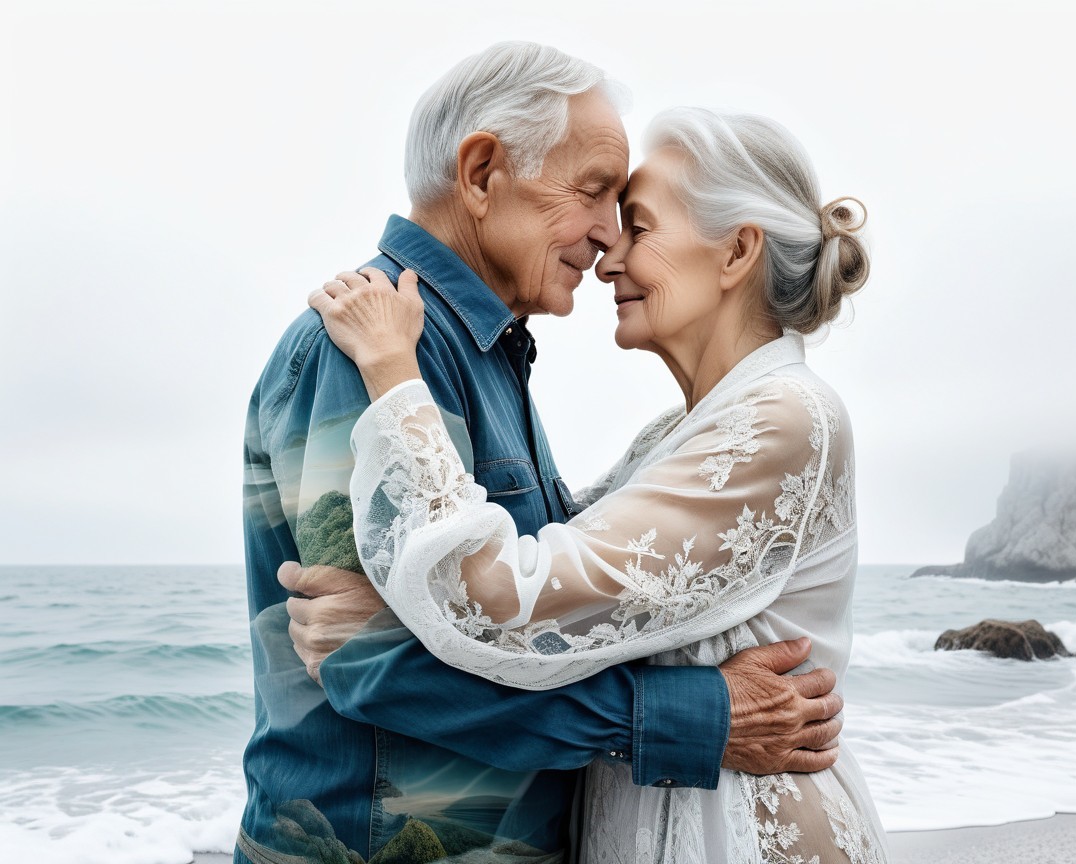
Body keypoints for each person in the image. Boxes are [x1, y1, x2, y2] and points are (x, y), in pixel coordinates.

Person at [241, 43, 843, 864]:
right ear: (484, 173)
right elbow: (372, 665)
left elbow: (522, 601)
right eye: (597, 195)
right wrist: (692, 718)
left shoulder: (485, 360)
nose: (606, 244)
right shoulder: (364, 347)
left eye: (633, 218)